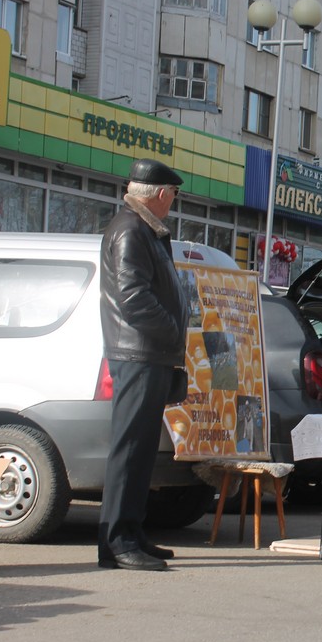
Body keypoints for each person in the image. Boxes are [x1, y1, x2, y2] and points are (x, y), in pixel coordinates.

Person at [97, 158, 187, 572]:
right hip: (138, 353)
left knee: (142, 450)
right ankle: (116, 540)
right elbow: (134, 298)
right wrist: (172, 331)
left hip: (149, 354)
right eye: (173, 195)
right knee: (130, 449)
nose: (173, 202)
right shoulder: (131, 229)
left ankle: (131, 533)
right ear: (162, 194)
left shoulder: (145, 228)